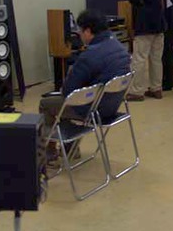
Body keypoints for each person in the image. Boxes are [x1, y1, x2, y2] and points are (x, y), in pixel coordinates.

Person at [39, 10, 131, 158]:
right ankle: (71, 149)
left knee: (48, 104)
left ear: (88, 31)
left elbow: (68, 91)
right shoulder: (119, 47)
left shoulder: (89, 55)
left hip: (94, 110)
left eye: (80, 31)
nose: (79, 35)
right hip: (113, 105)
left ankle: (50, 153)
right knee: (67, 102)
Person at [127, 0, 168, 101]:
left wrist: (141, 3)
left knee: (139, 59)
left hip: (145, 26)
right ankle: (156, 88)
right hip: (160, 24)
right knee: (156, 59)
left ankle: (136, 91)